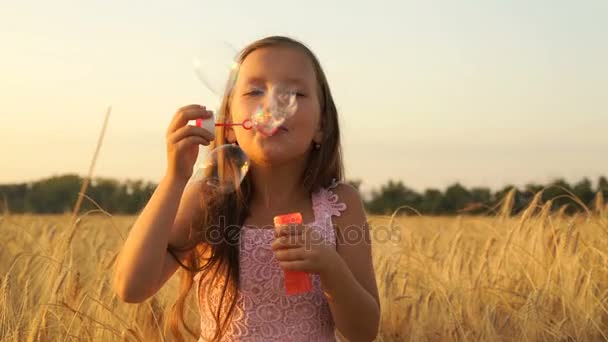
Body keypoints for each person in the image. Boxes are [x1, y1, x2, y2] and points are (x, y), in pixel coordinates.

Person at [113, 35, 380, 342]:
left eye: (294, 93)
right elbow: (131, 287)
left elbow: (364, 332)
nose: (271, 104)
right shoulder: (208, 199)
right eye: (254, 90)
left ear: (321, 125)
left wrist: (331, 268)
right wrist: (175, 177)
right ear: (228, 123)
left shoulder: (339, 204)